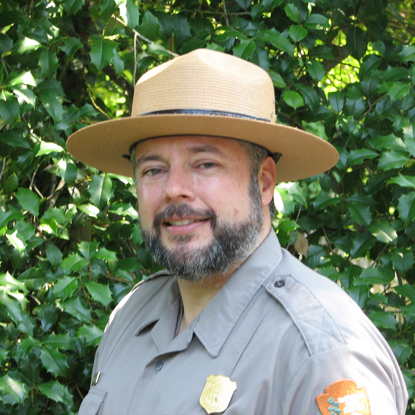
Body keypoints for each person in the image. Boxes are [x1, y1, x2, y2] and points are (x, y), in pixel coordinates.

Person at [67, 49, 408, 415]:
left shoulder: (319, 354)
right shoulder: (130, 316)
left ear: (263, 183)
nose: (174, 189)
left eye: (206, 164)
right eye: (153, 170)